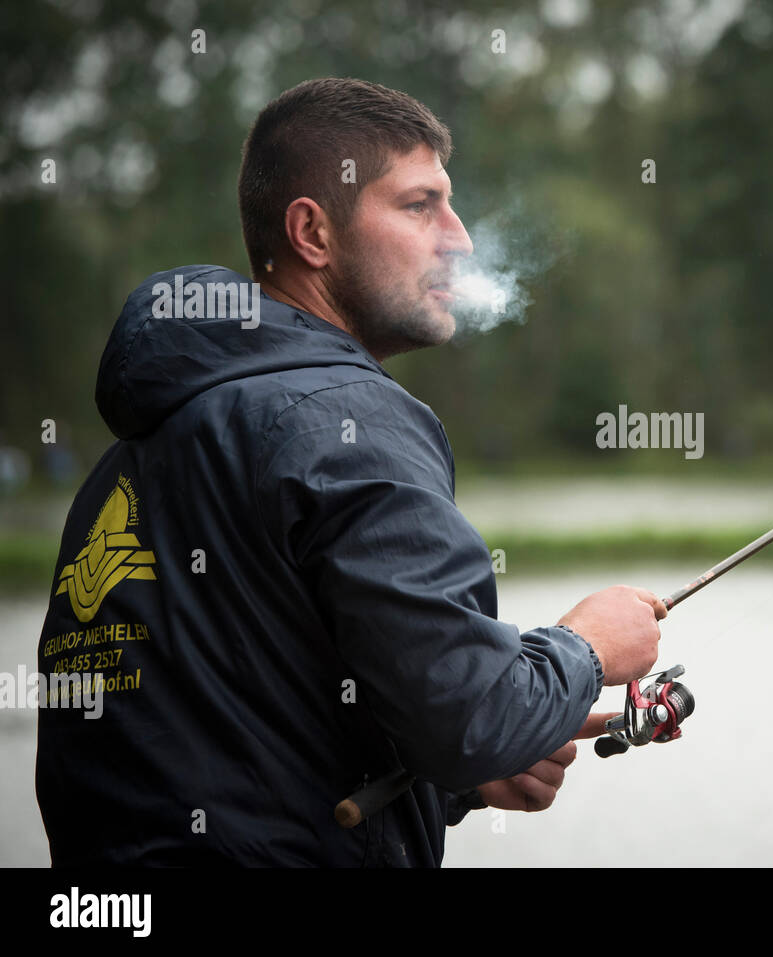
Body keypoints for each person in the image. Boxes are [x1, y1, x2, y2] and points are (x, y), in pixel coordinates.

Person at [35, 77, 666, 866]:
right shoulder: (346, 419)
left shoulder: (135, 454)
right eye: (418, 205)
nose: (459, 237)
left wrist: (449, 781)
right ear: (313, 232)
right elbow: (473, 714)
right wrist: (585, 648)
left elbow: (225, 732)